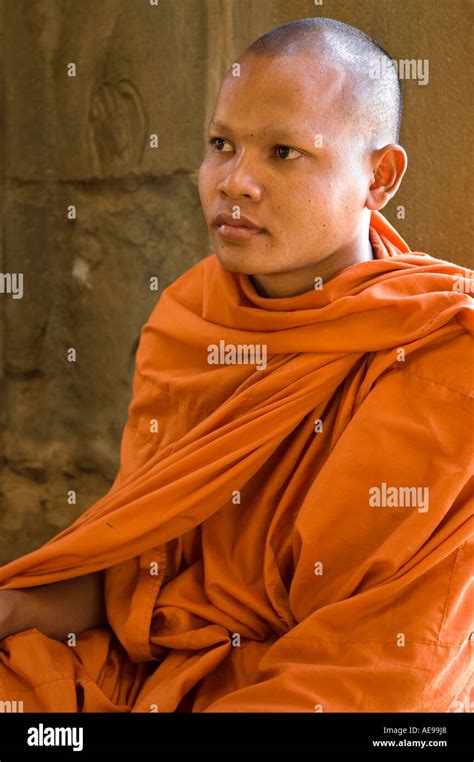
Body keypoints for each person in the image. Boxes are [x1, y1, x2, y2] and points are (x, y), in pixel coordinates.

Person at [0, 17, 472, 713]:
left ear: (380, 177)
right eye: (221, 146)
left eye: (283, 152)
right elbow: (140, 572)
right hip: (163, 670)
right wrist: (13, 608)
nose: (235, 182)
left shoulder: (445, 353)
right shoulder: (191, 321)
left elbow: (396, 666)